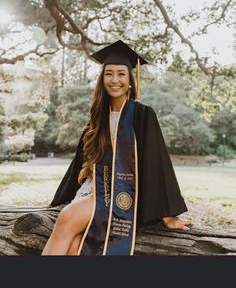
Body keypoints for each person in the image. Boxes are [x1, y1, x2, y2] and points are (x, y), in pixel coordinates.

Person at [42, 40, 192, 256]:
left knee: (66, 218)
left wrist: (168, 215)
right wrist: (60, 197)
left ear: (130, 80)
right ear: (102, 80)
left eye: (121, 74)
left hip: (125, 195)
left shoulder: (142, 115)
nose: (114, 80)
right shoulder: (96, 119)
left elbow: (155, 162)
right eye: (109, 74)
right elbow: (80, 163)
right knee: (76, 247)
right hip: (93, 190)